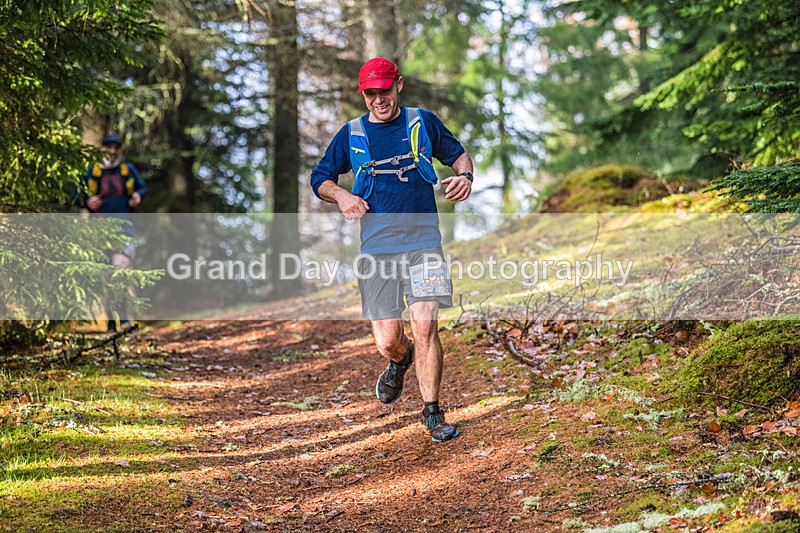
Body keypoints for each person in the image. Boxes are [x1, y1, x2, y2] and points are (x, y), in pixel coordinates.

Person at [310, 57, 474, 442]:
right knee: (388, 339)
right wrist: (342, 196)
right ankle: (401, 362)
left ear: (398, 84)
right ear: (363, 95)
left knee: (426, 325)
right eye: (370, 93)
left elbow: (459, 155)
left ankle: (432, 412)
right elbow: (320, 178)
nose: (378, 100)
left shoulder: (423, 121)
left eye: (384, 90)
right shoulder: (351, 133)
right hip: (378, 249)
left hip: (424, 243)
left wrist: (464, 176)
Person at [76, 134, 146, 332]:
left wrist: (137, 196)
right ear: (102, 149)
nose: (113, 152)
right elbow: (75, 194)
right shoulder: (92, 171)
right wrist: (86, 201)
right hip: (97, 232)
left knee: (120, 270)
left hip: (124, 230)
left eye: (117, 147)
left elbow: (142, 188)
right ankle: (110, 323)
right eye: (109, 147)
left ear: (121, 149)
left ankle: (124, 319)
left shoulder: (128, 170)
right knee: (105, 276)